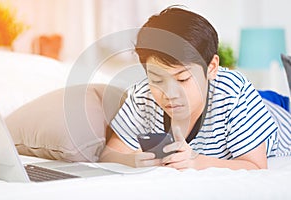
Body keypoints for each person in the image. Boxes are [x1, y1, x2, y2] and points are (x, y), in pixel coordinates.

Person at [99, 6, 291, 170]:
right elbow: (109, 155)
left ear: (212, 68)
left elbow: (256, 166)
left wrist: (197, 161)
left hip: (278, 109)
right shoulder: (142, 96)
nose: (170, 94)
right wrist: (131, 160)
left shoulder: (233, 91)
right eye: (157, 80)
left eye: (182, 79)